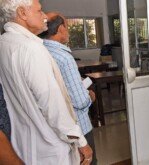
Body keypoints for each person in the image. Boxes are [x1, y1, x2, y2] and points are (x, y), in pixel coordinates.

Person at [0, 0, 92, 164]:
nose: (44, 17)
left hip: (25, 144)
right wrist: (81, 142)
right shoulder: (31, 49)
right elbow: (53, 106)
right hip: (50, 146)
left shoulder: (4, 43)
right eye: (39, 11)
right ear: (22, 13)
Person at [38, 12, 98, 164]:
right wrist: (89, 96)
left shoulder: (41, 51)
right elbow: (80, 101)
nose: (68, 31)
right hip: (78, 126)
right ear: (60, 29)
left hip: (55, 128)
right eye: (67, 27)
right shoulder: (64, 57)